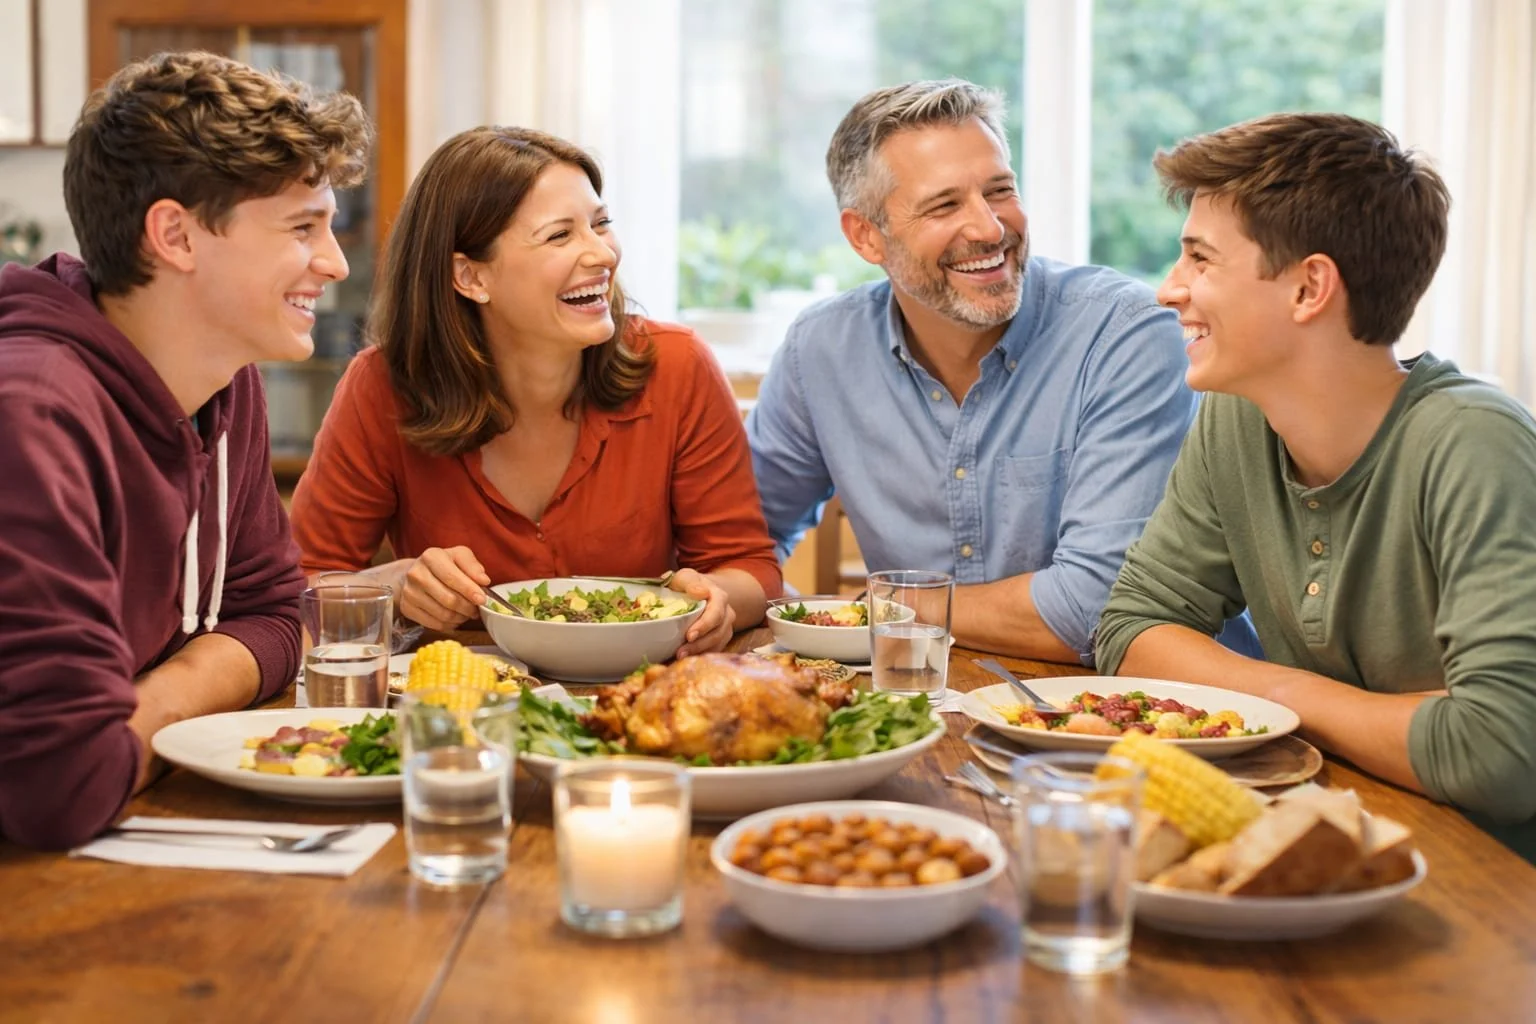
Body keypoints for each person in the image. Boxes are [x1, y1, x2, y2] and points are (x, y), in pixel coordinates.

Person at [1095, 112, 1536, 859]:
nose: (1170, 290)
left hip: (1492, 897)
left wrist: (1267, 695)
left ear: (1310, 289)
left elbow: (1501, 756)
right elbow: (1131, 630)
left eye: (1201, 260)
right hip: (1338, 842)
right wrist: (1383, 714)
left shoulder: (1474, 445)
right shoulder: (1235, 419)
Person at [747, 78, 1258, 662]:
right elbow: (736, 538)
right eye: (945, 204)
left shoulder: (1126, 333)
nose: (990, 228)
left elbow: (1096, 612)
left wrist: (880, 612)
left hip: (1154, 716)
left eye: (1000, 190)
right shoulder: (822, 351)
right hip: (931, 705)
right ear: (866, 235)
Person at [0, 52, 372, 849]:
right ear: (175, 235)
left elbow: (277, 614)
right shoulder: (31, 414)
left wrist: (150, 704)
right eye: (302, 228)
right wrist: (196, 687)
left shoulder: (222, 380)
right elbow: (58, 786)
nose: (335, 262)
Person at [289, 127, 780, 654]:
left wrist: (715, 596)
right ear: (470, 277)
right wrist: (395, 587)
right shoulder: (383, 386)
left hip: (638, 701)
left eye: (601, 224)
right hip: (468, 712)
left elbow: (750, 568)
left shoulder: (677, 365)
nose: (602, 254)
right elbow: (299, 587)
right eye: (559, 235)